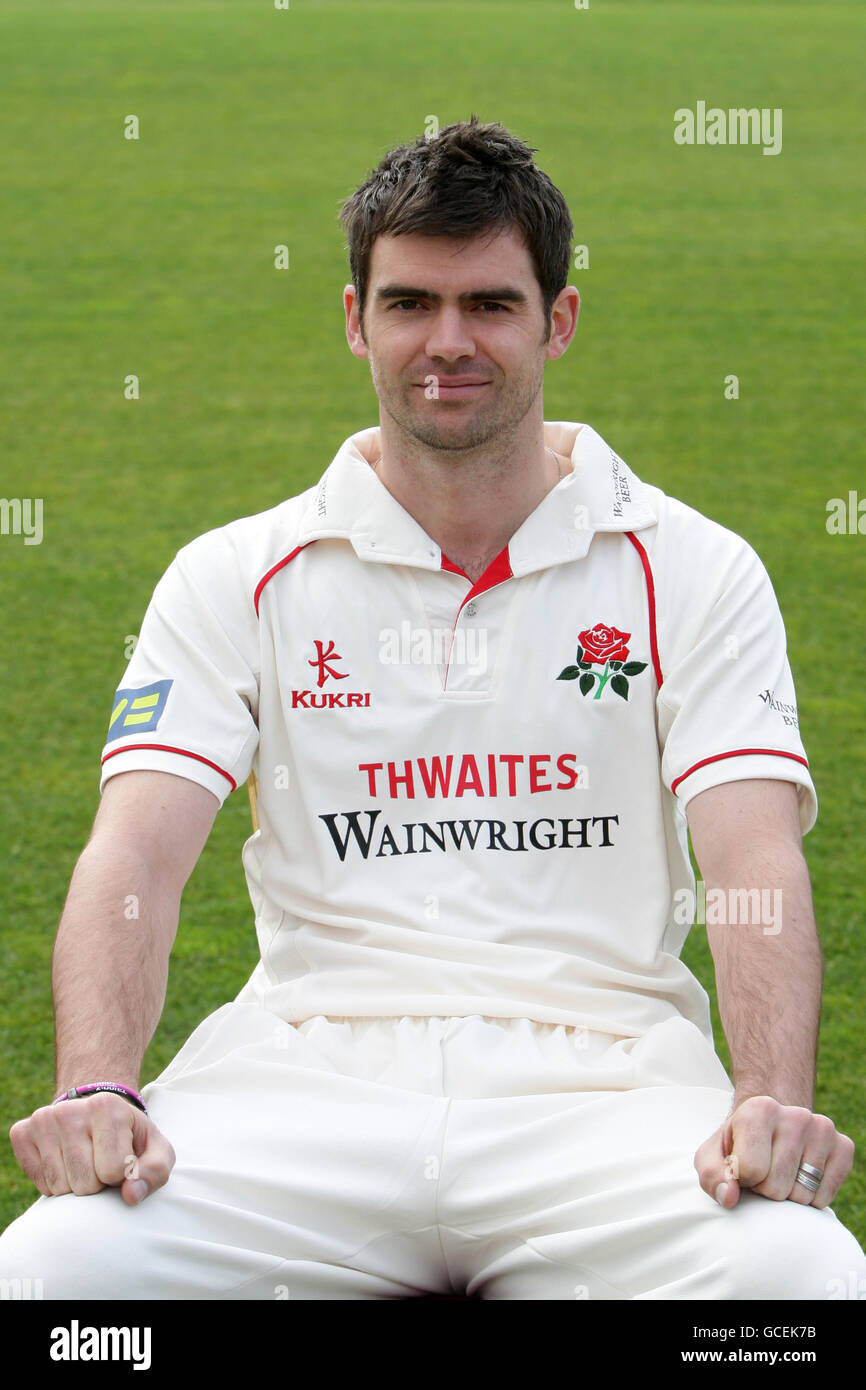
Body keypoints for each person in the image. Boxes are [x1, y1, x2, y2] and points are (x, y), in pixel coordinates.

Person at [2, 116, 864, 1301]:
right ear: (355, 320)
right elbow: (133, 853)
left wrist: (767, 1101)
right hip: (303, 1083)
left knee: (795, 1285)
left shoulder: (693, 566)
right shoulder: (235, 573)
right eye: (409, 303)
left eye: (489, 306)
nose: (446, 343)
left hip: (604, 1090)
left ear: (555, 321)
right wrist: (98, 1086)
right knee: (55, 1276)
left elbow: (751, 858)